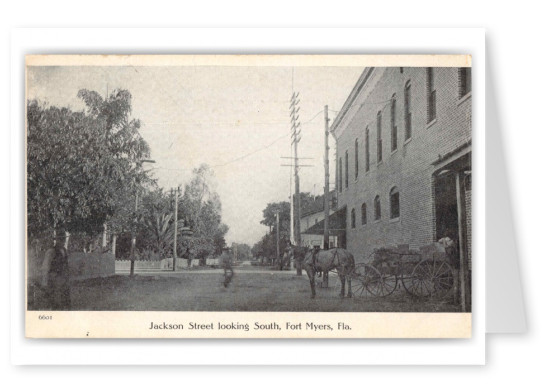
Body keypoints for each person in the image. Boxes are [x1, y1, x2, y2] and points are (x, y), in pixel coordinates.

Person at [40, 241, 71, 310]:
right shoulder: (51, 251)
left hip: (63, 276)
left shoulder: (64, 250)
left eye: (64, 238)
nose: (63, 241)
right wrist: (45, 280)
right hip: (54, 276)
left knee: (64, 294)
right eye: (61, 239)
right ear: (56, 240)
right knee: (54, 296)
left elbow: (66, 263)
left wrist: (66, 274)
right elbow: (46, 266)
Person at [438, 229, 460, 304]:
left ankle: (453, 295)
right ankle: (455, 298)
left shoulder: (443, 239)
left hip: (447, 259)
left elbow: (439, 241)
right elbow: (454, 249)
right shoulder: (452, 242)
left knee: (454, 278)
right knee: (456, 278)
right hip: (452, 260)